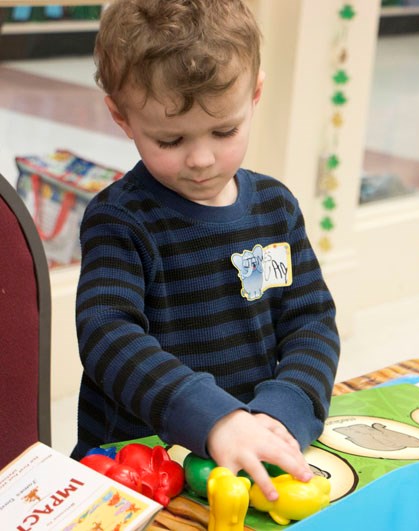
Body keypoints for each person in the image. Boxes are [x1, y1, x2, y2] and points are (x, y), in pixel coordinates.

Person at [72, 0, 340, 502]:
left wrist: (283, 413)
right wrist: (213, 418)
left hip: (255, 457)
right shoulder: (119, 220)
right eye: (169, 139)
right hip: (140, 469)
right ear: (121, 116)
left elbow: (311, 323)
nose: (200, 160)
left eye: (224, 131)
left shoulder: (276, 208)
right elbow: (108, 335)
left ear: (255, 94)